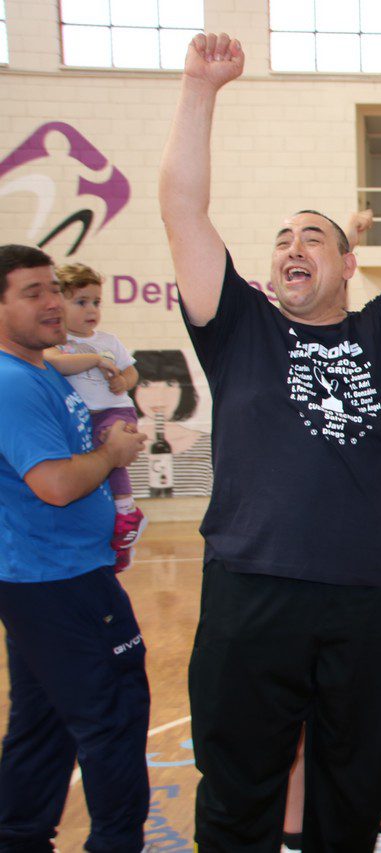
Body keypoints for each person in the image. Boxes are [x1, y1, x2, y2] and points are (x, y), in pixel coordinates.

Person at [158, 31, 381, 850]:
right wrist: (199, 90)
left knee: (354, 786)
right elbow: (183, 209)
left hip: (369, 599)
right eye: (282, 239)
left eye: (313, 238)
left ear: (346, 261)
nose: (293, 247)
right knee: (238, 792)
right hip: (252, 593)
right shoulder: (239, 328)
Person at [0, 244, 148, 851]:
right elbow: (55, 484)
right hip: (60, 582)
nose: (53, 303)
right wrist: (112, 455)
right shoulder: (13, 383)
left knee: (43, 725)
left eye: (53, 289)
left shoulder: (37, 371)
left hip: (47, 579)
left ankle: (19, 838)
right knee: (113, 715)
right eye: (32, 293)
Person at [42, 261, 145, 570]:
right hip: (81, 417)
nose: (92, 310)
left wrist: (122, 381)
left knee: (112, 451)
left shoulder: (109, 341)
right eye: (81, 302)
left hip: (113, 411)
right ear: (58, 304)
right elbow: (56, 363)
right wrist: (96, 360)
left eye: (96, 302)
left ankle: (127, 511)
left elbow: (132, 371)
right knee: (88, 468)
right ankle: (110, 526)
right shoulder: (58, 344)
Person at [125, 349, 213, 497]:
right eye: (146, 384)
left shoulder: (207, 443)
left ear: (184, 389)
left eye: (170, 383)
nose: (159, 395)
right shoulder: (123, 445)